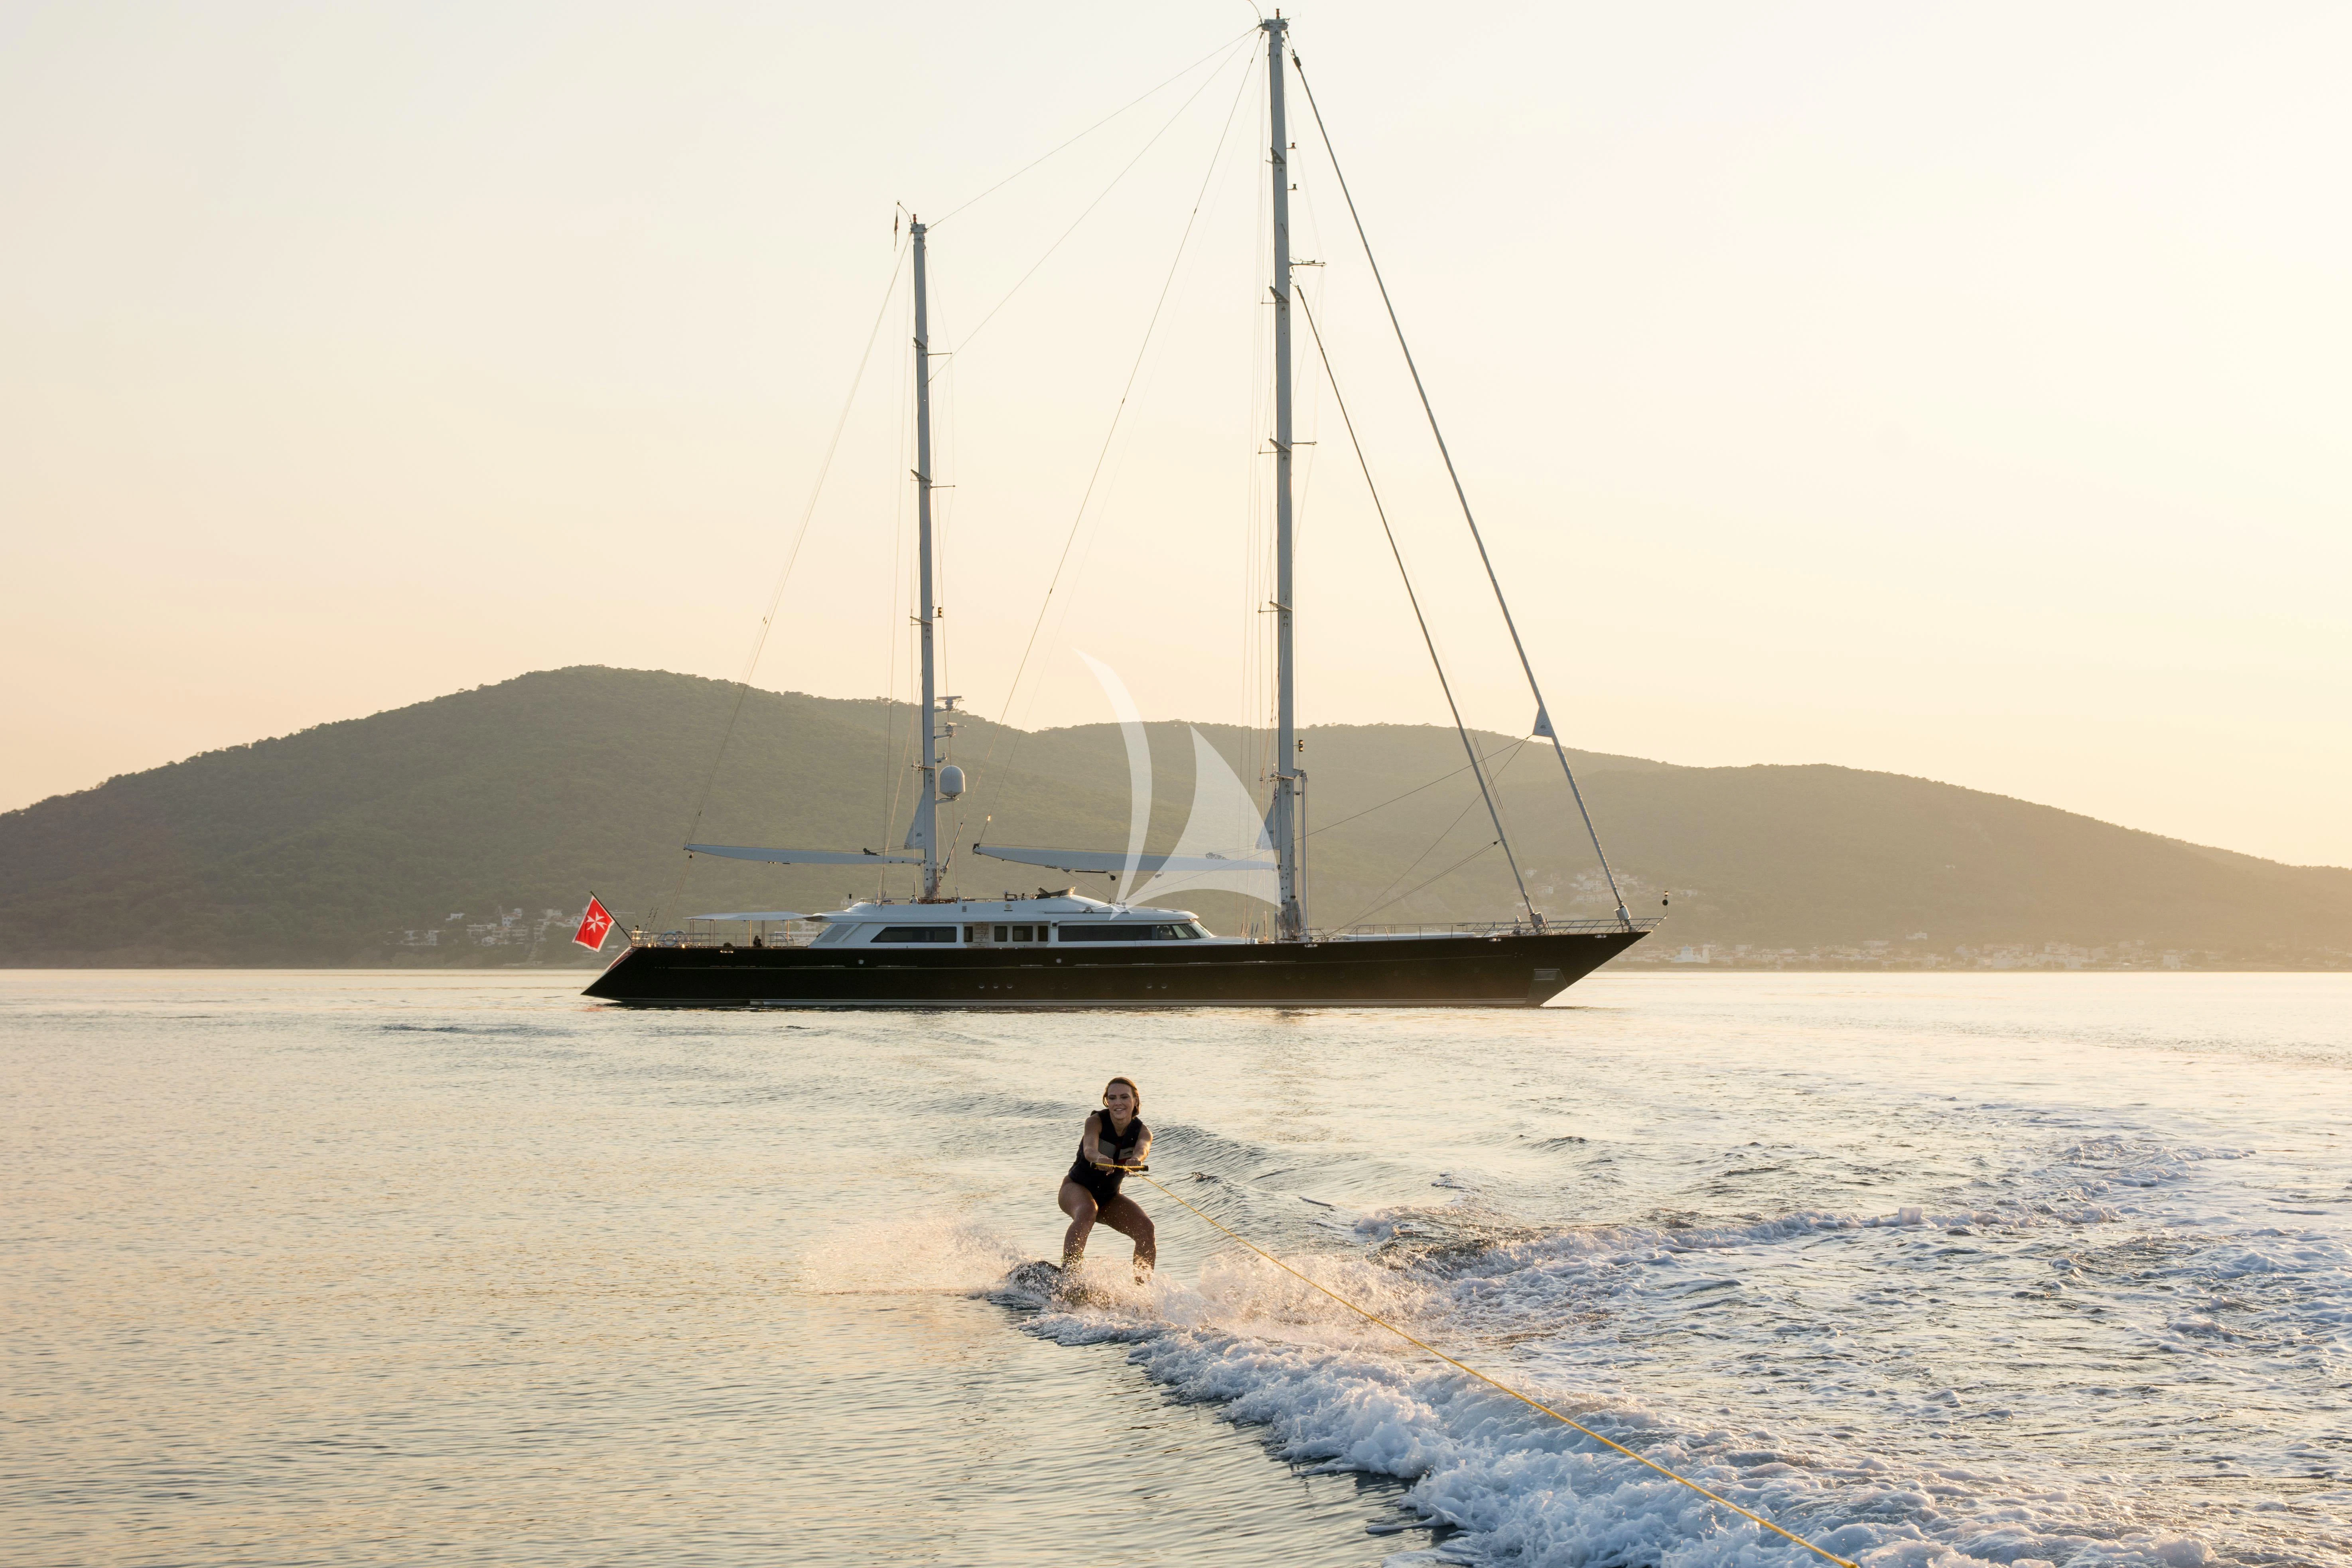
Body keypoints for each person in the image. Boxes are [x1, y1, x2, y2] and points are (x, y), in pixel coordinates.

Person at [1059, 1075, 1155, 1283]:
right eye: (1112, 1098)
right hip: (1075, 1189)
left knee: (1146, 1229)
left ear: (1135, 1101)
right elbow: (1090, 1150)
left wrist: (1136, 1160)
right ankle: (1069, 1278)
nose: (1118, 1103)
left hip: (1109, 1198)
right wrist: (1099, 1158)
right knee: (1087, 1211)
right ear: (1107, 1102)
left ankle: (1142, 1289)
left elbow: (1142, 1150)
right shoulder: (1095, 1122)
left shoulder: (1143, 1132)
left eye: (1124, 1097)